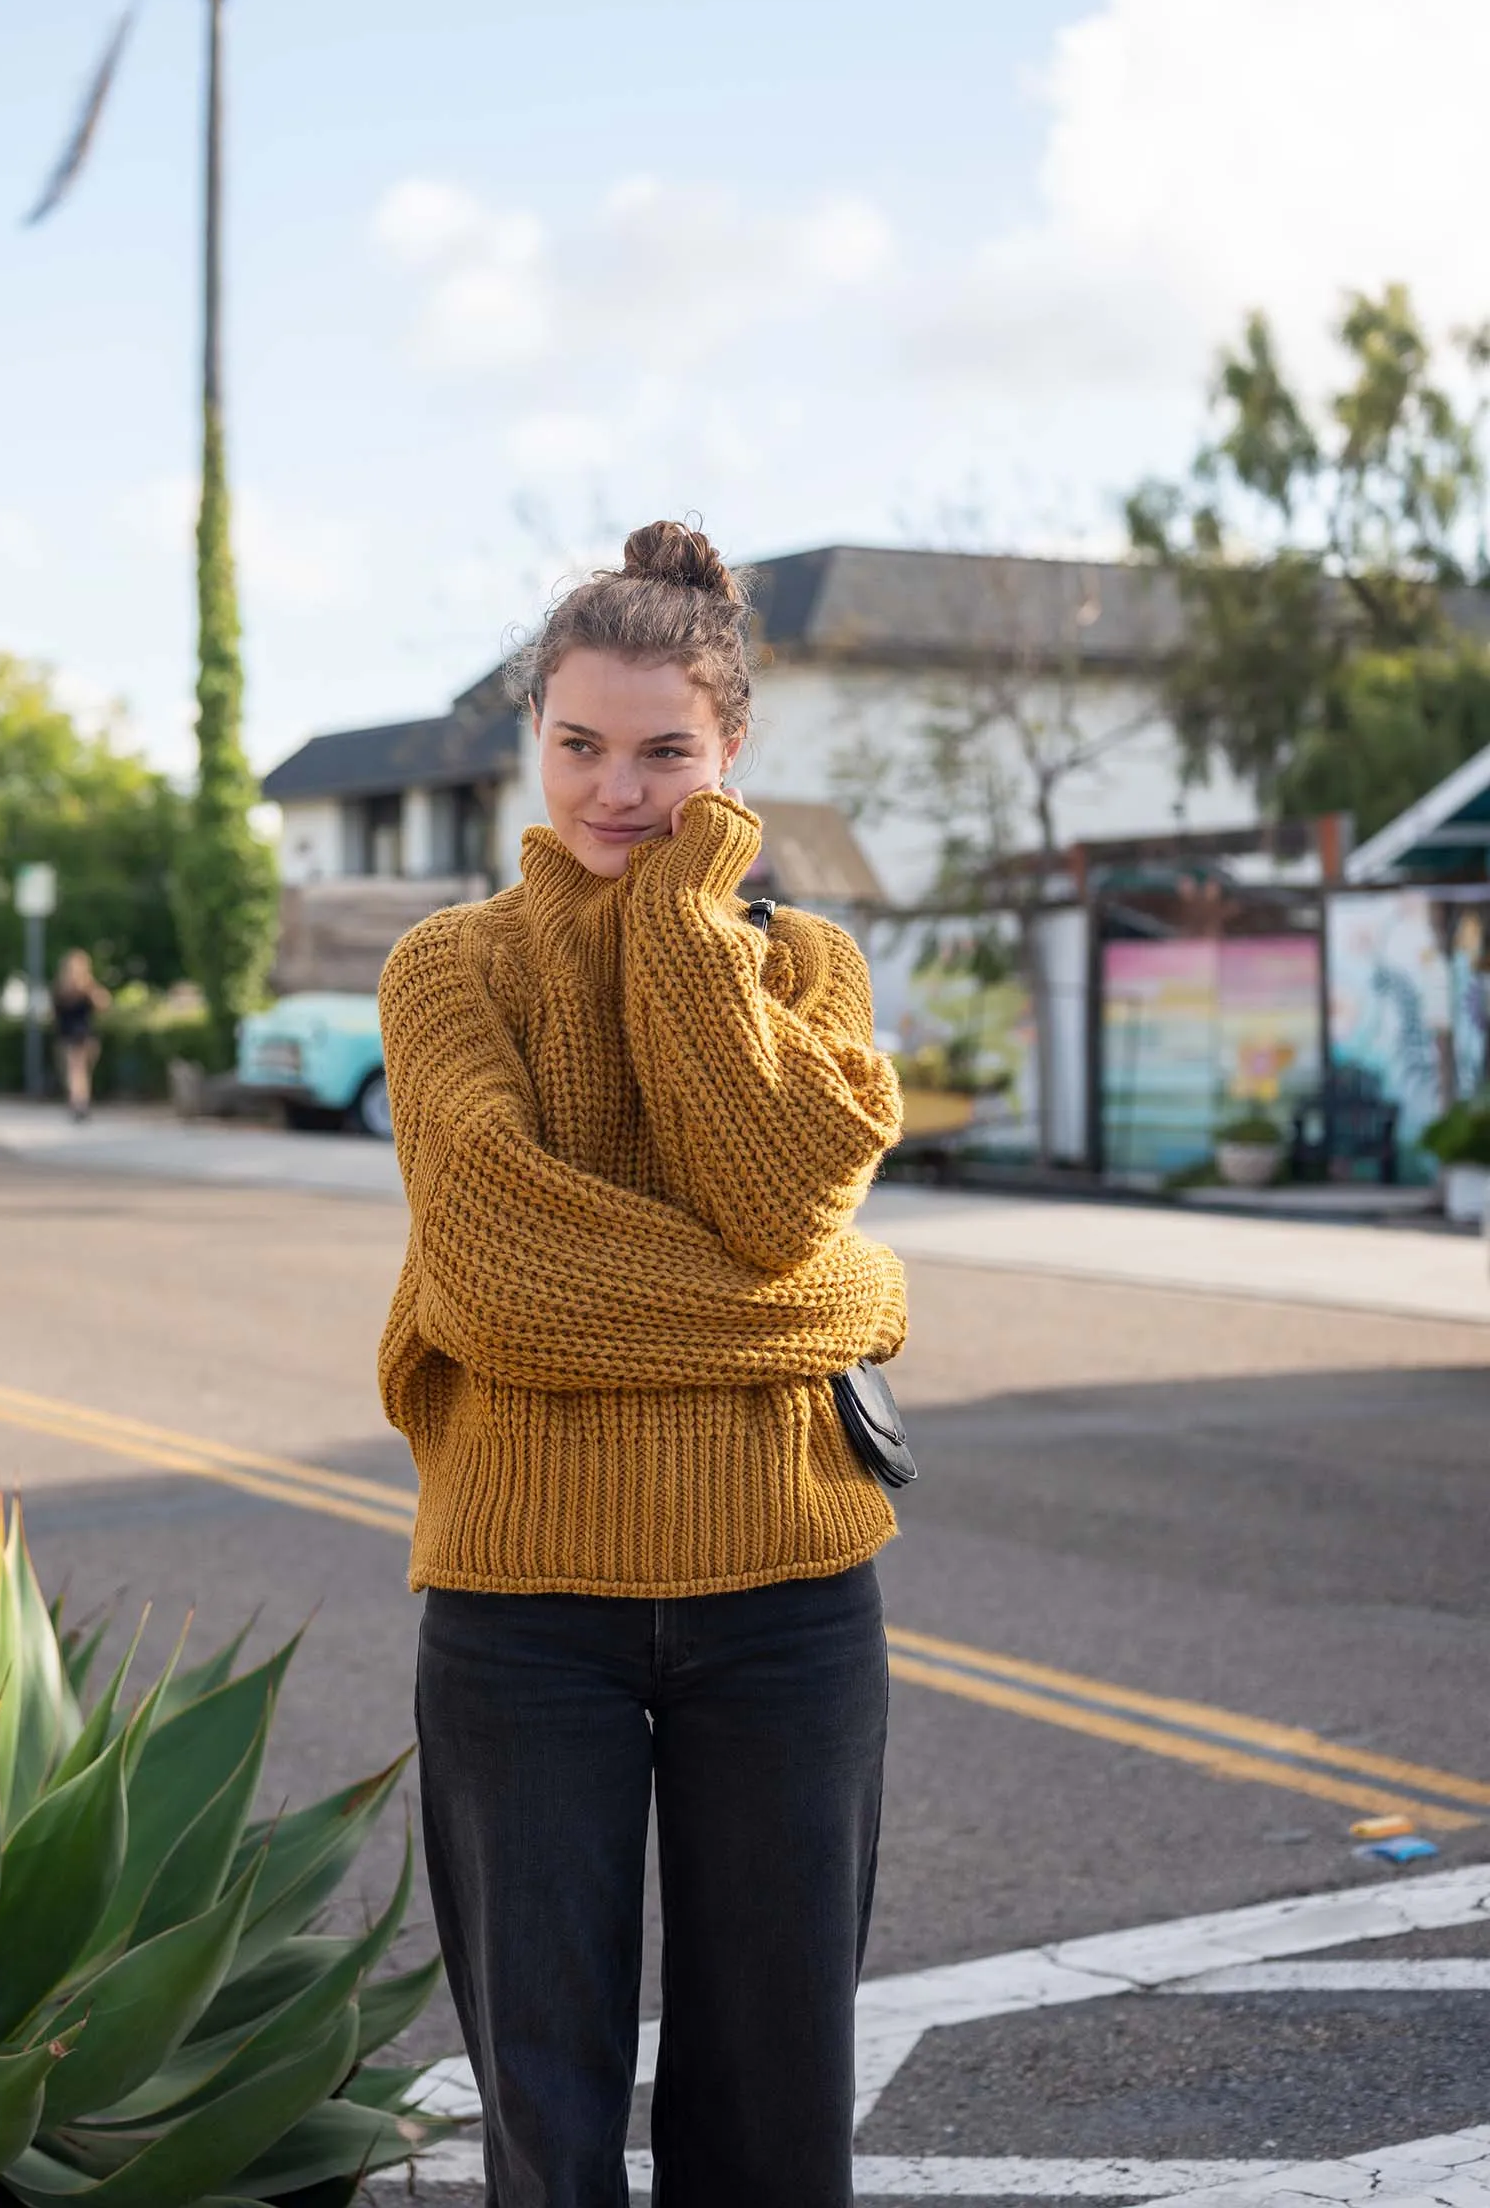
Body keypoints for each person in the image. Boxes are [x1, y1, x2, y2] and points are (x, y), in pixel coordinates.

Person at [377, 520, 909, 2208]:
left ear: (730, 754)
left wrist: (686, 927)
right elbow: (508, 1282)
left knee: (777, 2109)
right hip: (527, 1615)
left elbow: (770, 1182)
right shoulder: (449, 971)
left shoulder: (808, 968)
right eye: (581, 745)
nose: (615, 790)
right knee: (546, 2108)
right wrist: (835, 1303)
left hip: (790, 1604)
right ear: (533, 740)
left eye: (664, 752)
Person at [50, 947, 111, 1121]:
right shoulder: (86, 987)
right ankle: (80, 1102)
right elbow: (104, 1005)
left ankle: (78, 1103)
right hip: (84, 1034)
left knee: (75, 1071)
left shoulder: (62, 988)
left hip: (71, 1035)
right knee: (80, 1071)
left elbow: (53, 1013)